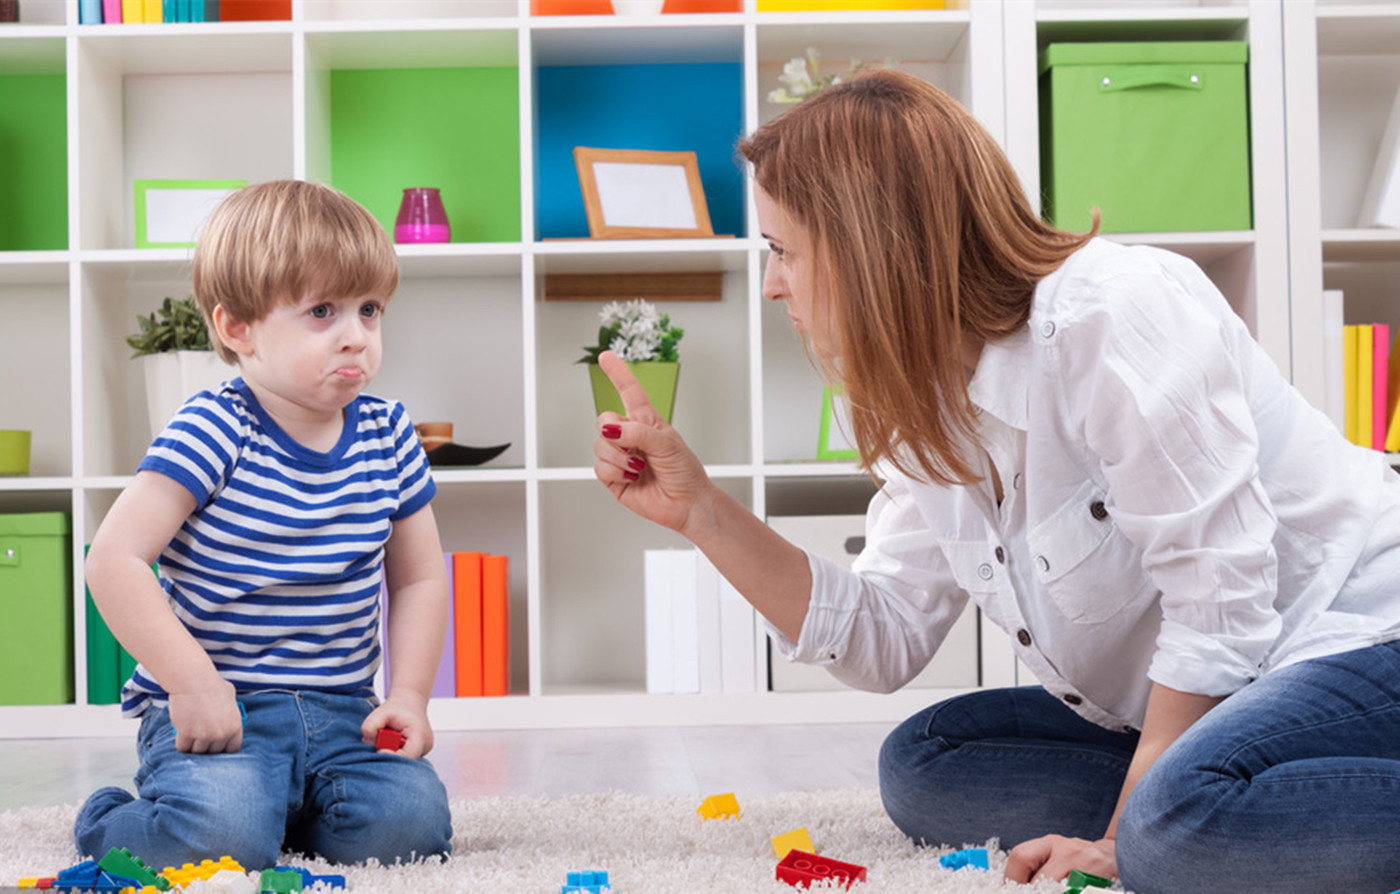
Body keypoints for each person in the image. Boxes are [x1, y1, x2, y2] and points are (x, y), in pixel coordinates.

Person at [591, 69, 1400, 894]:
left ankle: (1189, 814)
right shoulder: (928, 396)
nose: (771, 284)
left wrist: (1120, 840)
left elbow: (1221, 603)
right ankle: (1225, 803)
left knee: (1165, 836)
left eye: (784, 251)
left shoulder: (1111, 314)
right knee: (925, 762)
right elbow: (884, 635)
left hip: (1359, 638)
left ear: (871, 243)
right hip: (1229, 693)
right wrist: (701, 511)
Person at [77, 180, 454, 870]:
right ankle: (112, 820)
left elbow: (422, 577)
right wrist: (192, 685)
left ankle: (281, 809)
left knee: (412, 828)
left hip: (344, 715)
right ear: (236, 329)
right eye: (322, 311)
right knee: (218, 839)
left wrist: (408, 697)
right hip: (222, 714)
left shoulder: (390, 434)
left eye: (369, 310)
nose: (356, 335)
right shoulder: (213, 428)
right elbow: (113, 558)